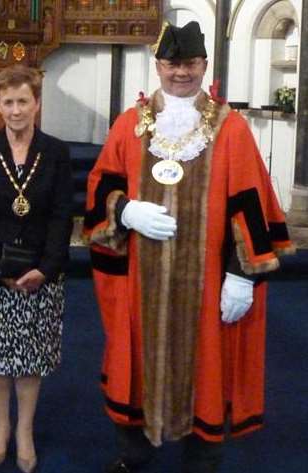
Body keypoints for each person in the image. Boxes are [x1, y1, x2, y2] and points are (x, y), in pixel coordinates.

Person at [83, 21, 295, 473]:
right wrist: (123, 211)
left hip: (206, 281)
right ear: (158, 66)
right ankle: (134, 450)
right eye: (172, 63)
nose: (181, 73)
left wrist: (241, 274)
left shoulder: (230, 128)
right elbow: (101, 185)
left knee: (208, 363)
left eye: (190, 64)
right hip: (143, 279)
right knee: (136, 360)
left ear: (204, 65)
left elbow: (250, 200)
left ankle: (203, 456)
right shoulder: (130, 125)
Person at [0, 65, 73, 473]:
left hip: (41, 275)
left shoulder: (57, 153)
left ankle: (24, 430)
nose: (15, 110)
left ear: (37, 103)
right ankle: (1, 427)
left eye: (23, 101)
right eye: (7, 102)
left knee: (30, 358)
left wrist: (46, 268)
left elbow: (63, 216)